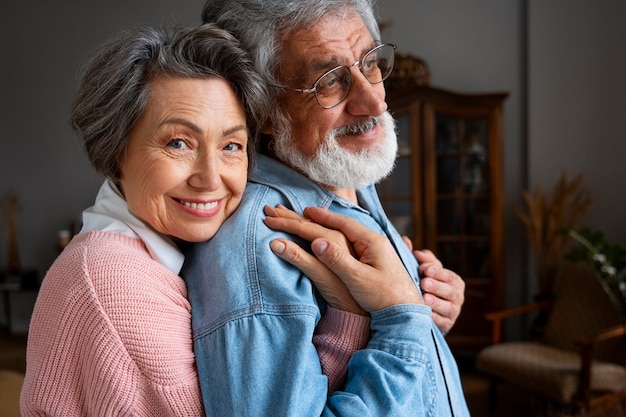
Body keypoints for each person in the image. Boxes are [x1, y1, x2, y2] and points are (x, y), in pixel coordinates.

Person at [20, 23, 359, 416]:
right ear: (115, 150)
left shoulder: (133, 254)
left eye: (231, 145)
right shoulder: (117, 283)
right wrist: (352, 324)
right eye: (178, 143)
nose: (211, 178)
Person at [181, 0, 470, 415]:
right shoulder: (259, 243)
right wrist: (404, 319)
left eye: (370, 61)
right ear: (261, 107)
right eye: (330, 80)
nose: (374, 101)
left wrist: (427, 309)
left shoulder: (346, 174)